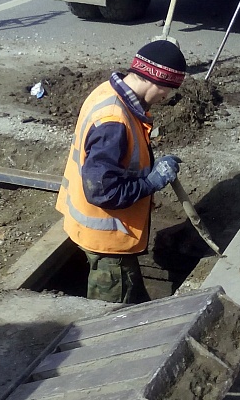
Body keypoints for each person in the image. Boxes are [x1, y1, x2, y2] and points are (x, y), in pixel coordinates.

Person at [56, 40, 187, 304]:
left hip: (92, 229)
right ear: (155, 82)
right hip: (107, 241)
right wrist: (152, 182)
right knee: (111, 316)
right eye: (166, 91)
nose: (165, 98)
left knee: (132, 296)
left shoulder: (107, 92)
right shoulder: (114, 121)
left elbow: (112, 165)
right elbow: (104, 192)